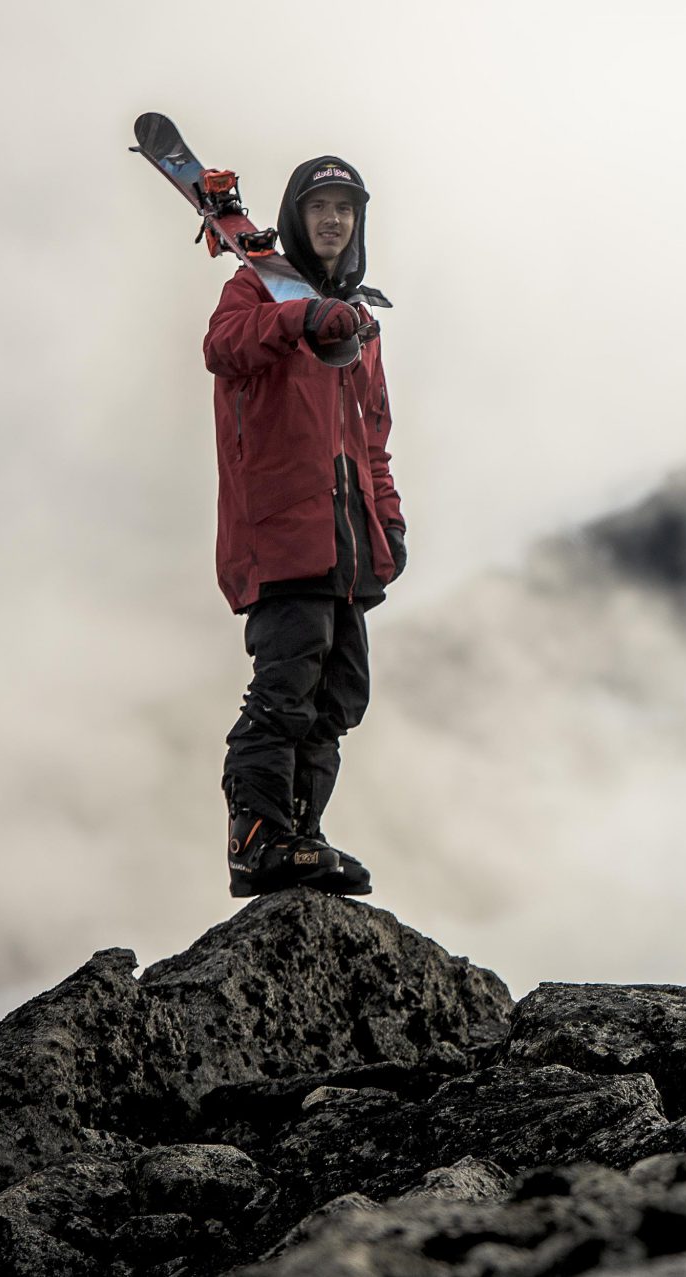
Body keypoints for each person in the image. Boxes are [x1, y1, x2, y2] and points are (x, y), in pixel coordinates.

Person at [202, 155, 407, 897]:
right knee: (287, 685)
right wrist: (301, 317)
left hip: (347, 546)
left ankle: (299, 835)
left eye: (345, 208)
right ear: (296, 215)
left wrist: (387, 518)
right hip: (283, 533)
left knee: (338, 695)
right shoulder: (257, 290)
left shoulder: (360, 322)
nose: (332, 219)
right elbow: (221, 348)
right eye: (318, 205)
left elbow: (371, 435)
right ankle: (255, 838)